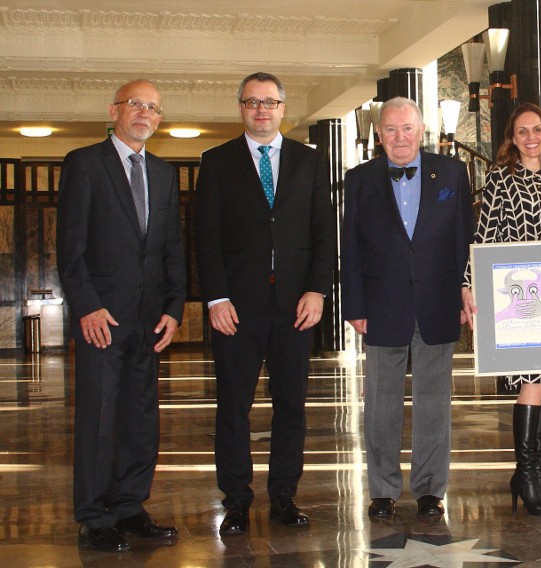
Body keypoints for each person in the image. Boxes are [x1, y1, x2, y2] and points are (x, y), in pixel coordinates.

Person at [194, 72, 336, 536]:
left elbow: (323, 232)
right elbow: (206, 237)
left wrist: (318, 289)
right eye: (252, 102)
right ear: (240, 108)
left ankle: (283, 496)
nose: (261, 110)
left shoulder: (310, 161)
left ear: (282, 108)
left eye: (269, 102)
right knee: (233, 405)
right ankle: (235, 500)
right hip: (236, 306)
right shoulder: (216, 161)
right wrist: (215, 297)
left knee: (291, 405)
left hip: (295, 305)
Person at [57, 80, 186, 552]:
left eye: (153, 108)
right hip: (102, 318)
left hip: (150, 319)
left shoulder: (165, 173)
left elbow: (172, 248)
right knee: (99, 416)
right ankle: (94, 514)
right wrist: (87, 305)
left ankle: (130, 506)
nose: (144, 114)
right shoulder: (85, 164)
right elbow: (70, 249)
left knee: (140, 417)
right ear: (114, 110)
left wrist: (175, 309)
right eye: (136, 105)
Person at [341, 97, 473, 519]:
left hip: (438, 302)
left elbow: (463, 240)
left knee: (434, 402)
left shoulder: (452, 172)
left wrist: (463, 293)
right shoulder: (359, 179)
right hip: (381, 305)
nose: (400, 137)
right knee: (380, 402)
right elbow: (351, 247)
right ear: (379, 135)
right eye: (391, 130)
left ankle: (431, 490)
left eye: (407, 129)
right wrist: (354, 305)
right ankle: (382, 489)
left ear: (422, 132)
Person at [460, 103, 541, 515]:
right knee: (534, 382)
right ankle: (529, 476)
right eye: (522, 131)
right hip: (515, 297)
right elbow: (483, 233)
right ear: (511, 138)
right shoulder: (500, 177)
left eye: (538, 130)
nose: (531, 137)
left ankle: (530, 476)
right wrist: (467, 282)